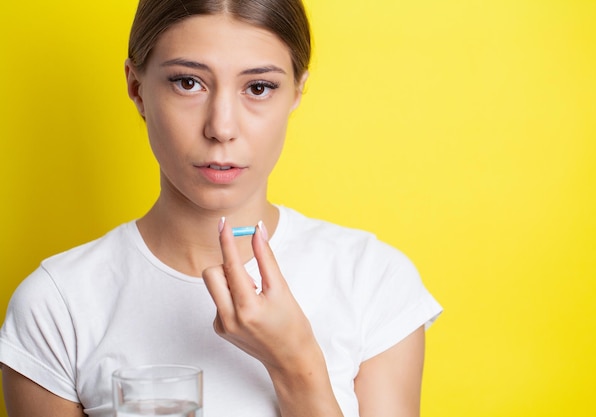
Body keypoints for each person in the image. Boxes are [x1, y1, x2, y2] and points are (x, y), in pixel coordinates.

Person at [0, 0, 442, 416]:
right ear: (136, 87)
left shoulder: (374, 281)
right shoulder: (57, 305)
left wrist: (296, 363)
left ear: (296, 92)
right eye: (188, 82)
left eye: (259, 87)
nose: (222, 127)